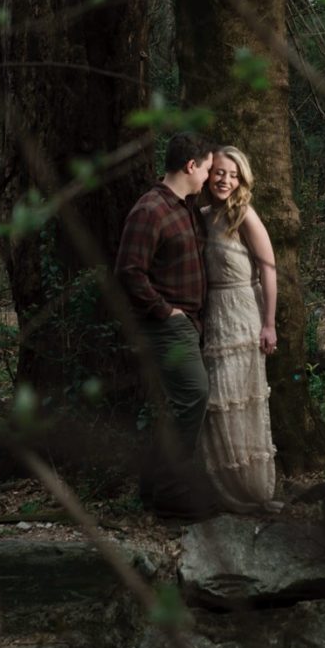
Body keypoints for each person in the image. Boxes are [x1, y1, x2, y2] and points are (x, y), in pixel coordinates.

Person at [115, 131, 215, 515]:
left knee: (182, 402)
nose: (207, 177)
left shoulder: (184, 207)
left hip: (188, 322)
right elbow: (128, 271)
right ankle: (172, 493)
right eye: (206, 169)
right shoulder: (150, 209)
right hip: (167, 325)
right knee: (194, 396)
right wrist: (164, 311)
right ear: (191, 166)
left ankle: (153, 485)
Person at [198, 145, 280, 507]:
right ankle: (225, 489)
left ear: (242, 179)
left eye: (233, 175)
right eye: (219, 172)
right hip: (214, 313)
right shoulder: (198, 215)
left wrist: (269, 324)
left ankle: (253, 489)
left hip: (244, 312)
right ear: (207, 172)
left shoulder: (243, 214)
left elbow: (268, 269)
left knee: (242, 398)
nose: (225, 180)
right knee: (218, 400)